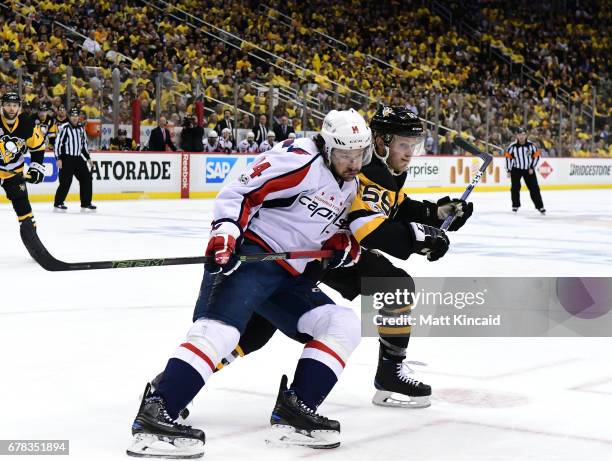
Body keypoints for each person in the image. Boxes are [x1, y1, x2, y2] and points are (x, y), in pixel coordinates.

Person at [157, 106, 473, 412]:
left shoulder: (371, 165)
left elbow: (392, 205)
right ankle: (390, 372)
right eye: (404, 145)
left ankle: (173, 384)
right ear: (380, 142)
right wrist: (418, 237)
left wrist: (435, 212)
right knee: (395, 285)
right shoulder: (357, 165)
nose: (408, 153)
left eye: (412, 146)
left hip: (327, 247)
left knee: (257, 329)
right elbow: (369, 227)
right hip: (314, 251)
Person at [127, 109, 372, 458]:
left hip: (289, 275)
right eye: (345, 155)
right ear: (328, 147)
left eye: (358, 154)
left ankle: (295, 411)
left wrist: (341, 244)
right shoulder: (299, 161)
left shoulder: (351, 183)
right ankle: (157, 413)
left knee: (342, 323)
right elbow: (239, 192)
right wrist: (225, 232)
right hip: (250, 257)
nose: (353, 162)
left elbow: (325, 227)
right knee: (222, 332)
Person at [0, 92, 46, 233]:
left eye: (14, 105)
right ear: (2, 106)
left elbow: (38, 147)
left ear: (19, 107)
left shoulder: (27, 124)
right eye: (8, 105)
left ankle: (31, 236)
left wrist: (35, 167)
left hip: (14, 173)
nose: (11, 109)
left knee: (24, 209)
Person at [53, 108, 96, 211]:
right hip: (67, 158)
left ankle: (86, 202)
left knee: (87, 178)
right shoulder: (64, 127)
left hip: (78, 158)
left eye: (76, 115)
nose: (75, 117)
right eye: (73, 115)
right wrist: (58, 158)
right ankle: (58, 202)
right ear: (69, 117)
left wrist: (88, 158)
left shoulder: (81, 128)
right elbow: (58, 144)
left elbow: (84, 145)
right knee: (66, 181)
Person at [505, 127, 545, 214]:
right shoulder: (512, 146)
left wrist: (532, 167)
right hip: (516, 170)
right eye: (519, 135)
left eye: (523, 134)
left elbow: (537, 156)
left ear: (526, 135)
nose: (521, 136)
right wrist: (508, 170)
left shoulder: (531, 146)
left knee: (534, 188)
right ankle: (515, 205)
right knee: (515, 188)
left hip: (528, 170)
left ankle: (540, 206)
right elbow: (508, 158)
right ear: (517, 136)